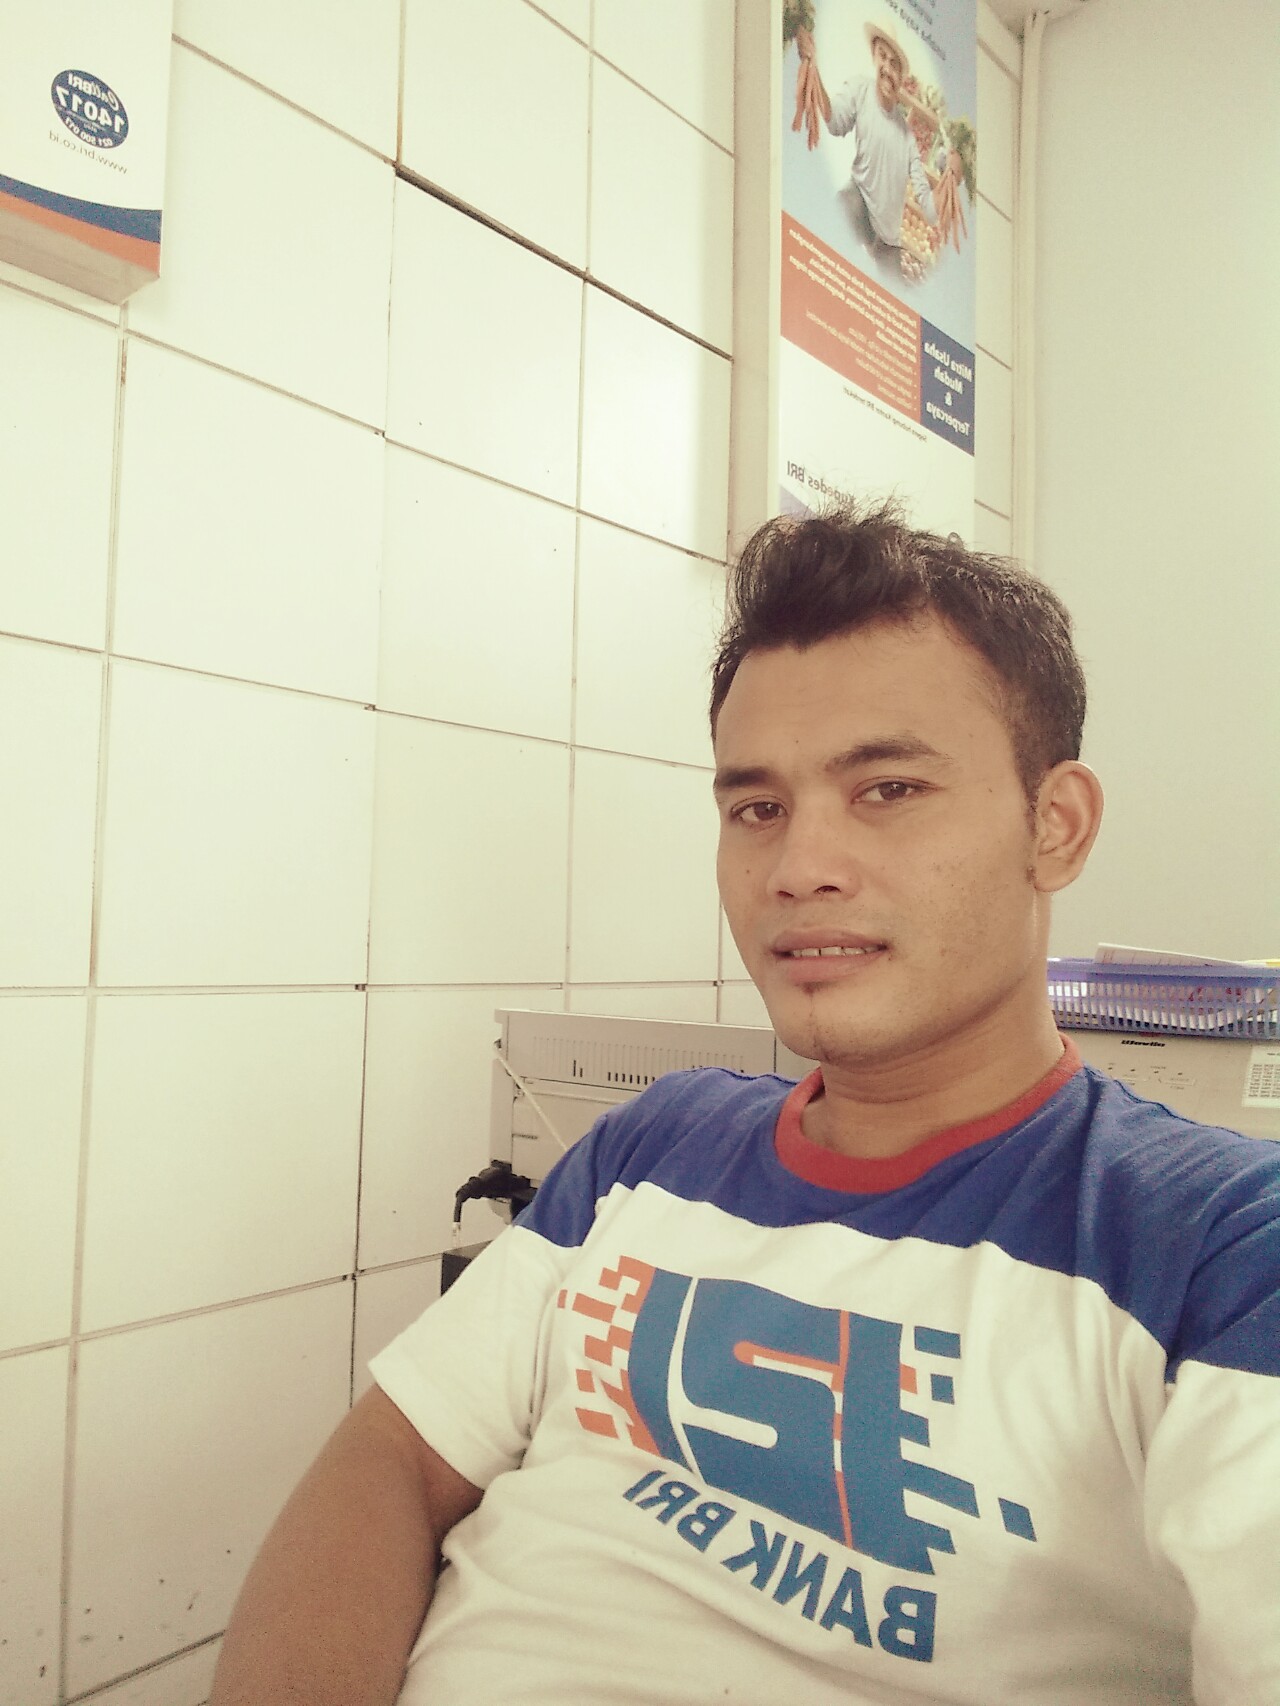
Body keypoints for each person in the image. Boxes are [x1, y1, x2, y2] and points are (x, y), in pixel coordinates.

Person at [211, 505, 1280, 1705]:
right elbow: (398, 1457)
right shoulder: (652, 1144)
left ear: (1054, 824)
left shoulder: (1219, 1244)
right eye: (756, 807)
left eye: (886, 787)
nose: (796, 866)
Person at [795, 20, 964, 252]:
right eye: (882, 56)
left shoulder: (907, 139)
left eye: (894, 64)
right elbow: (834, 120)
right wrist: (812, 65)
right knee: (838, 219)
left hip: (887, 238)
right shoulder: (860, 90)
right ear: (874, 57)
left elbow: (929, 208)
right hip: (857, 204)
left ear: (901, 77)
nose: (887, 68)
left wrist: (951, 176)